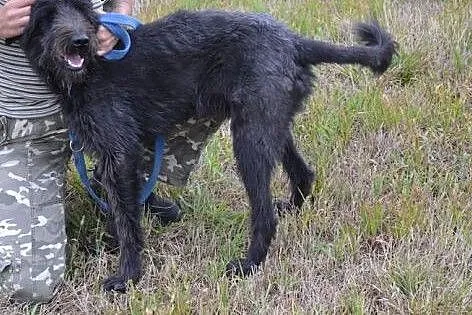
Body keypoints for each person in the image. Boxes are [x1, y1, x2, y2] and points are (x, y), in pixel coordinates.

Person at [0, 0, 221, 304]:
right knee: (30, 287)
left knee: (208, 76)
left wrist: (118, 17)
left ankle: (128, 179)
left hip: (107, 87)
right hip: (28, 121)